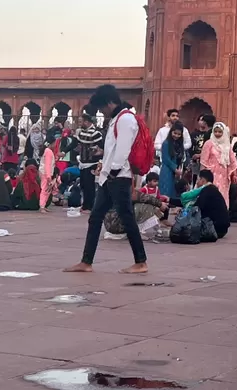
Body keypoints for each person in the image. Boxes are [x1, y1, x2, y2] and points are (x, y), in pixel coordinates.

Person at [64, 85, 149, 275]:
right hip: (109, 177)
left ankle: (141, 262)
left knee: (126, 218)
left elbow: (123, 149)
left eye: (102, 108)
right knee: (95, 218)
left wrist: (114, 170)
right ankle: (86, 261)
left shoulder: (126, 119)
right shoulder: (117, 119)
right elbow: (113, 149)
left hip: (118, 177)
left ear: (110, 103)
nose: (102, 112)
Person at [181, 168, 230, 239]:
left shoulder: (207, 190)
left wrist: (185, 211)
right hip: (222, 229)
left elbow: (197, 207)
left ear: (203, 180)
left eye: (198, 179)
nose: (197, 182)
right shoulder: (212, 189)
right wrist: (170, 200)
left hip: (215, 228)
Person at [201, 121, 237, 206]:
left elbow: (232, 161)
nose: (217, 134)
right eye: (215, 131)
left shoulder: (227, 145)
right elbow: (203, 160)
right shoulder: (209, 143)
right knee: (211, 193)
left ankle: (221, 214)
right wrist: (203, 176)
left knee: (222, 194)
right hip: (211, 174)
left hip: (223, 175)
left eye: (220, 132)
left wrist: (234, 174)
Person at [158, 121, 185, 203]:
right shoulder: (166, 143)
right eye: (175, 133)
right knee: (166, 192)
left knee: (174, 194)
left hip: (176, 171)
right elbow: (166, 159)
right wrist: (175, 169)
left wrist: (178, 169)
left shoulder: (179, 144)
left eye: (179, 134)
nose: (176, 136)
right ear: (171, 132)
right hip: (167, 170)